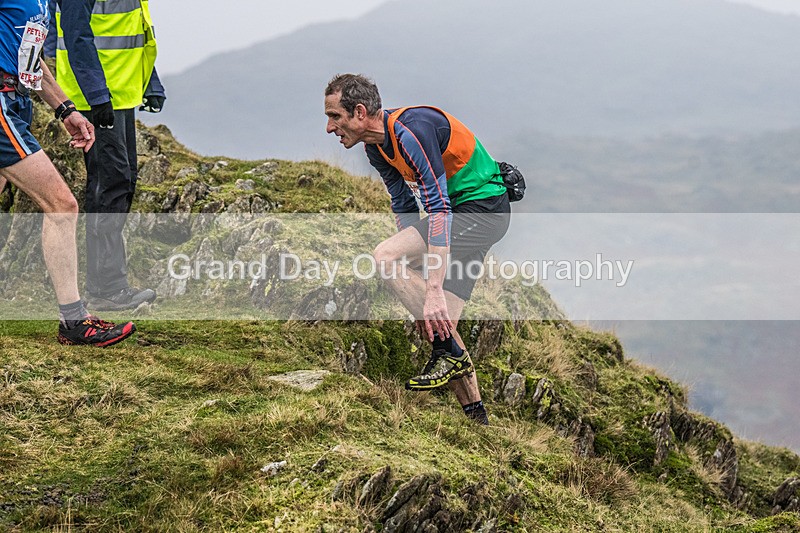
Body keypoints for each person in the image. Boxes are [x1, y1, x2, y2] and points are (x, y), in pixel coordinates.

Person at [324, 74, 511, 425]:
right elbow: (403, 203)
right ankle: (478, 419)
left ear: (360, 112)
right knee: (443, 324)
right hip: (465, 214)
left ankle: (449, 352)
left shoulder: (411, 133)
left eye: (335, 117)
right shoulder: (375, 147)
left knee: (385, 257)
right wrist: (420, 266)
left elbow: (439, 208)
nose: (329, 128)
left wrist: (433, 286)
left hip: (483, 210)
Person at [0, 0, 136, 346]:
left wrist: (66, 110)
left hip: (17, 100)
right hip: (1, 102)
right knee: (62, 205)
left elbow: (33, 61)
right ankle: (74, 321)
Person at [50, 0, 164, 311]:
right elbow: (76, 35)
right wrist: (97, 95)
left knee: (123, 181)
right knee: (109, 185)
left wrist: (151, 82)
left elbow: (135, 32)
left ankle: (111, 284)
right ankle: (106, 288)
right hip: (95, 98)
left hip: (120, 95)